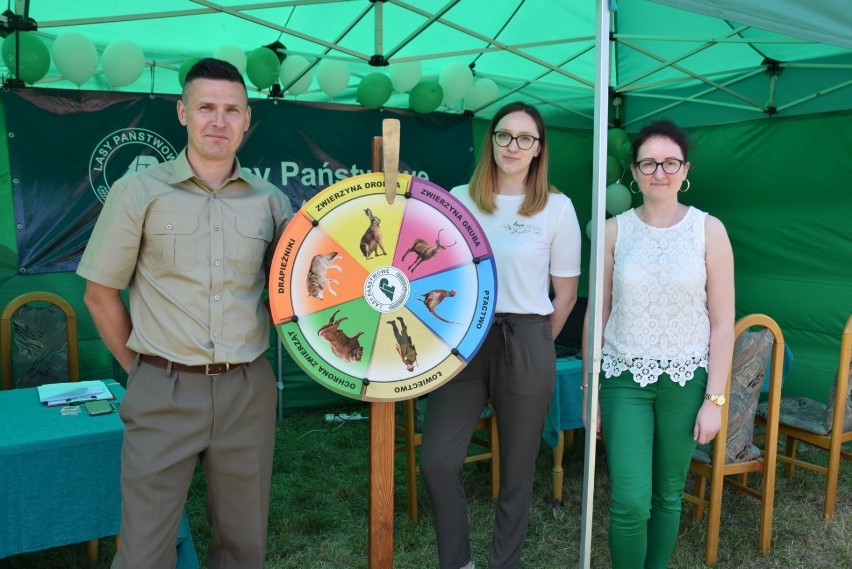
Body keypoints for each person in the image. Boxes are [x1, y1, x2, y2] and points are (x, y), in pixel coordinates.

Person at [77, 58, 293, 569]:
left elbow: (296, 292)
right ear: (182, 112)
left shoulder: (272, 202)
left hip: (246, 391)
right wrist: (143, 373)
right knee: (144, 551)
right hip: (163, 388)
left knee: (243, 546)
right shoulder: (139, 192)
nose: (218, 121)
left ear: (247, 119)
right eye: (206, 108)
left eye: (231, 110)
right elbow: (99, 293)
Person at [420, 102, 582, 569]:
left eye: (525, 139)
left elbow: (565, 294)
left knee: (515, 472)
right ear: (490, 141)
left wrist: (536, 346)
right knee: (437, 461)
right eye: (505, 136)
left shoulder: (557, 208)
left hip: (527, 338)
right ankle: (458, 562)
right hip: (465, 341)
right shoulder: (457, 199)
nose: (514, 146)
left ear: (538, 150)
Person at [582, 119, 735, 568]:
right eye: (648, 163)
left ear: (684, 169)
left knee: (668, 495)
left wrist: (716, 399)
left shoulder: (710, 230)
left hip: (687, 381)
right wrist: (589, 391)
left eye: (670, 163)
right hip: (623, 378)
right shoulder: (613, 232)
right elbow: (598, 312)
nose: (659, 172)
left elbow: (724, 322)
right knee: (630, 501)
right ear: (633, 171)